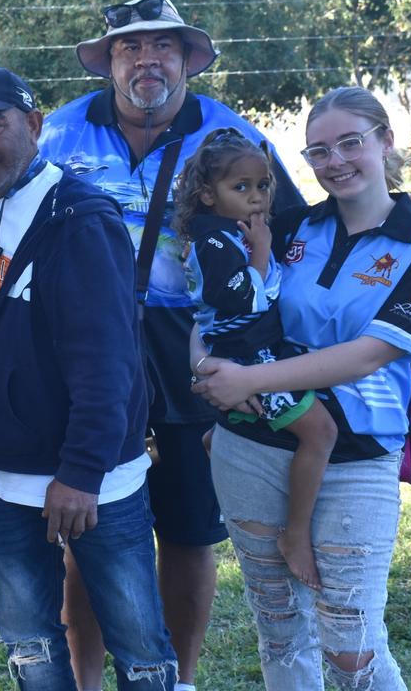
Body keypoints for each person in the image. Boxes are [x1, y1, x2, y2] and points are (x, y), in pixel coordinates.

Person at [36, 0, 304, 690]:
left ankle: (179, 680)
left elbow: (290, 229)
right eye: (130, 47)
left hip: (192, 341)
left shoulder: (231, 135)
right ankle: (84, 681)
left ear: (187, 59)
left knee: (188, 525)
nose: (146, 60)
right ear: (109, 61)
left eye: (164, 47)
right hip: (88, 345)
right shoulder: (57, 135)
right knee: (85, 518)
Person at [192, 86, 411, 690]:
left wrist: (249, 379)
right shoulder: (285, 225)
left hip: (358, 454)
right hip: (251, 445)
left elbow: (373, 353)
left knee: (351, 645)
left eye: (350, 143)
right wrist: (204, 370)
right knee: (281, 629)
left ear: (385, 141)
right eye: (318, 150)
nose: (334, 161)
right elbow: (210, 307)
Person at [0, 65, 177, 690]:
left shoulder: (79, 218)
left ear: (36, 125)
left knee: (141, 648)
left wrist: (80, 471)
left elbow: (108, 360)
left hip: (92, 481)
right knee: (30, 647)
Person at [173, 127, 337, 590]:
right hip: (247, 354)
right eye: (239, 187)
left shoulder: (232, 232)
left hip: (257, 347)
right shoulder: (215, 243)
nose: (256, 197)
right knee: (321, 431)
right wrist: (262, 255)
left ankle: (217, 438)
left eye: (262, 186)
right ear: (207, 194)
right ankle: (296, 535)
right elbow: (243, 300)